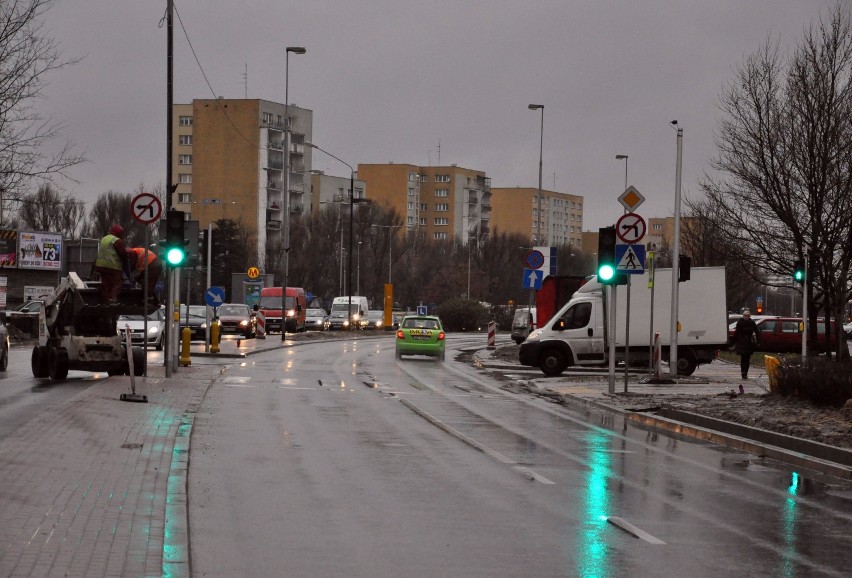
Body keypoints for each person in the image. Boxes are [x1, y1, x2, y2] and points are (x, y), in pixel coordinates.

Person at [94, 224, 132, 304]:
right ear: (119, 233)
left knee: (105, 283)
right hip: (112, 266)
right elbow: (123, 254)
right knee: (116, 283)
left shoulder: (104, 238)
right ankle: (112, 299)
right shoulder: (117, 240)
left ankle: (105, 300)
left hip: (100, 265)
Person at [733, 309, 761, 379]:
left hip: (749, 342)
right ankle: (743, 372)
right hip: (742, 342)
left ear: (749, 316)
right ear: (743, 316)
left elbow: (757, 331)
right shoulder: (740, 322)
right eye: (745, 316)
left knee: (747, 358)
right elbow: (736, 333)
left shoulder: (752, 323)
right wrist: (732, 342)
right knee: (743, 358)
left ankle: (746, 372)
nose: (746, 317)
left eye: (748, 316)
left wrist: (758, 341)